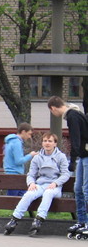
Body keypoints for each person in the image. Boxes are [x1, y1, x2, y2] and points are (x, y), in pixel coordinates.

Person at [3, 132, 70, 236]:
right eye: (45, 141)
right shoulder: (37, 157)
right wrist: (31, 183)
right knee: (29, 194)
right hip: (40, 184)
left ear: (55, 144)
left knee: (48, 193)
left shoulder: (61, 157)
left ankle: (39, 220)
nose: (47, 143)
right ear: (42, 143)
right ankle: (14, 219)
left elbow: (65, 174)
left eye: (50, 141)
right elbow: (31, 174)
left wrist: (56, 183)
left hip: (54, 187)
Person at [48, 96, 88, 236]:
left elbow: (75, 139)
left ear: (53, 108)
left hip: (86, 155)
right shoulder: (74, 114)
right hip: (83, 155)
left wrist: (72, 159)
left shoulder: (73, 116)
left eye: (52, 112)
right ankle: (82, 221)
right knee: (78, 189)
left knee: (86, 190)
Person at [3, 122, 37, 196]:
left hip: (10, 173)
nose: (29, 137)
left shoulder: (10, 141)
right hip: (15, 174)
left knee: (24, 197)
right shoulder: (17, 143)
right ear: (23, 132)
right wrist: (30, 155)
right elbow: (19, 161)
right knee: (13, 200)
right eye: (29, 134)